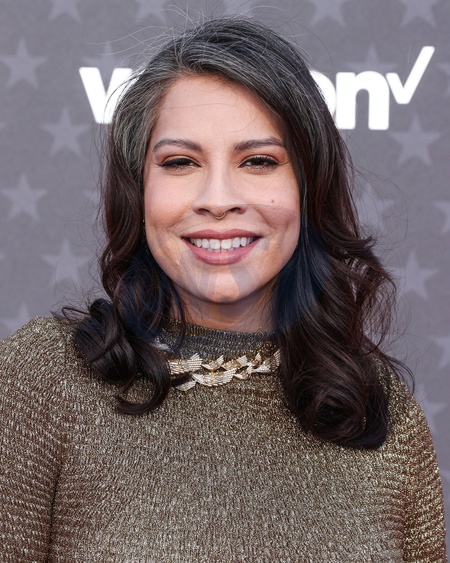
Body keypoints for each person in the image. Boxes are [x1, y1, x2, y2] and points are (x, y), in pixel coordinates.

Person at [0, 17, 447, 562]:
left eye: (258, 161)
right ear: (138, 189)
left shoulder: (378, 410)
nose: (217, 199)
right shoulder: (42, 379)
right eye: (180, 162)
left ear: (309, 187)